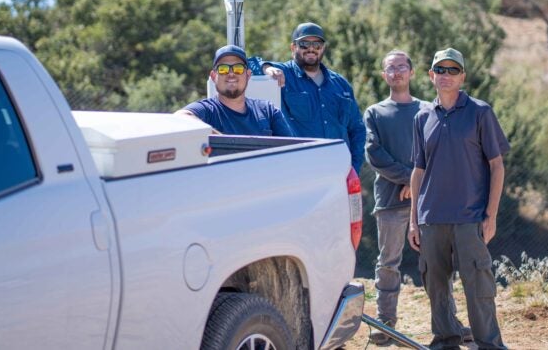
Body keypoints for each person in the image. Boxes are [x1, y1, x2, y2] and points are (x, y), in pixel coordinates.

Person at [408, 47, 510, 350]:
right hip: (431, 219)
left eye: (453, 70)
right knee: (436, 289)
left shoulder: (480, 112)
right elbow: (418, 170)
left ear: (463, 76)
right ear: (431, 75)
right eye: (440, 70)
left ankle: (490, 345)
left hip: (470, 218)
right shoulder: (422, 116)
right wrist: (414, 220)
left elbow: (497, 165)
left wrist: (490, 215)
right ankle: (445, 342)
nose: (446, 76)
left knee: (478, 286)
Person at [365, 50, 469, 345]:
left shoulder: (428, 109)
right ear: (384, 75)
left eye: (401, 67)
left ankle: (450, 324)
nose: (396, 72)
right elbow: (374, 155)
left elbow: (442, 150)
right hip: (389, 202)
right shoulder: (374, 112)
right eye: (390, 68)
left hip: (429, 203)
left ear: (411, 72)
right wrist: (410, 177)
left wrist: (418, 183)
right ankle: (385, 326)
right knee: (388, 264)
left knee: (438, 265)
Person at [261, 22, 366, 173]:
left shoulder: (340, 84)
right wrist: (267, 67)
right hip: (301, 173)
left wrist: (354, 167)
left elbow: (357, 129)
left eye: (317, 45)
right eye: (304, 44)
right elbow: (249, 65)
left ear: (323, 48)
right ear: (293, 48)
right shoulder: (283, 75)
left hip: (339, 172)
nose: (311, 49)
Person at [176, 45, 295, 137]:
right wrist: (222, 140)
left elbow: (291, 151)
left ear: (248, 75)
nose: (231, 74)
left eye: (238, 68)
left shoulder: (268, 110)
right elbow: (180, 117)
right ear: (213, 76)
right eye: (223, 69)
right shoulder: (207, 110)